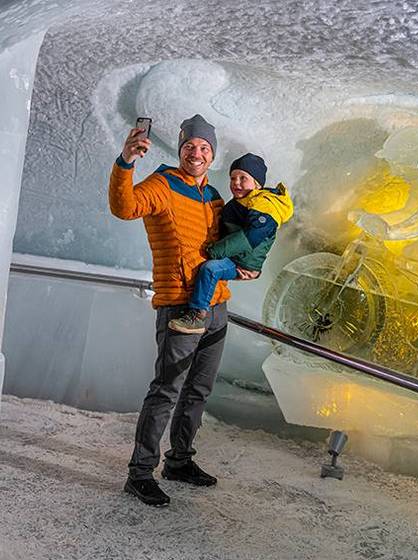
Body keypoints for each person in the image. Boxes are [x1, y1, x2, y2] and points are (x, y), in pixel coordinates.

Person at [109, 114, 257, 507]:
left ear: (212, 155)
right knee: (166, 391)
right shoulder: (163, 184)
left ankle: (179, 461)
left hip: (217, 306)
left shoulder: (214, 197)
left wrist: (243, 266)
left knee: (199, 390)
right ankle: (140, 473)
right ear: (180, 149)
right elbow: (124, 207)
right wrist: (125, 161)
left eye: (204, 148)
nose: (197, 152)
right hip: (179, 305)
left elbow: (227, 245)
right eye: (190, 146)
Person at [169, 153, 294, 334]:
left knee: (210, 268)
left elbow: (251, 236)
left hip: (243, 263)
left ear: (257, 184)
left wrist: (217, 250)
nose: (236, 182)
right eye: (233, 178)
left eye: (243, 178)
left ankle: (197, 316)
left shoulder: (265, 205)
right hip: (236, 258)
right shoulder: (241, 203)